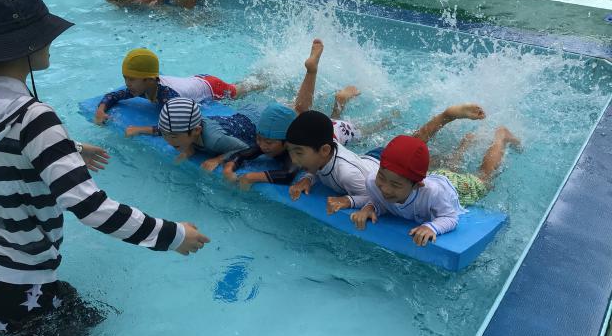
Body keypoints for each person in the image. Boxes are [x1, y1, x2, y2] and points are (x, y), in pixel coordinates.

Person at [0, 0, 210, 336]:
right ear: (27, 44)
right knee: (86, 325)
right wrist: (174, 236)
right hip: (17, 283)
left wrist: (71, 149)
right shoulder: (34, 118)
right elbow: (92, 208)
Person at [221, 39, 362, 189]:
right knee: (302, 112)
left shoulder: (295, 150)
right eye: (259, 139)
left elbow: (287, 175)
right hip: (319, 129)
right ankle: (334, 95)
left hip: (338, 132)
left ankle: (339, 99)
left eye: (268, 142)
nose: (261, 145)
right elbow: (243, 154)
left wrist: (251, 177)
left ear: (286, 142)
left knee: (358, 132)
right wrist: (228, 168)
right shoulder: (269, 141)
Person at [287, 104, 487, 208]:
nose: (294, 160)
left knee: (444, 164)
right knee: (420, 145)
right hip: (372, 160)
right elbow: (320, 166)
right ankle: (459, 136)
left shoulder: (347, 174)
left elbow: (375, 197)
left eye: (298, 153)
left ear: (323, 150)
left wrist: (348, 201)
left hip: (385, 168)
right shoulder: (321, 156)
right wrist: (308, 178)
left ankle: (451, 125)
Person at [345, 129, 520, 246]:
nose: (385, 189)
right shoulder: (373, 182)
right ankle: (466, 141)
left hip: (456, 187)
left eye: (395, 185)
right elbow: (380, 201)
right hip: (435, 177)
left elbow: (450, 217)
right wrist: (370, 207)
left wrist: (432, 227)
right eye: (381, 177)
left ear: (417, 185)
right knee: (450, 167)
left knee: (484, 178)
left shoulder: (433, 194)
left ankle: (501, 137)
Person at [94, 47, 262, 137]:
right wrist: (101, 111)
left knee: (242, 90)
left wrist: (141, 129)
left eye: (131, 79)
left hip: (212, 87)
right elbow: (113, 96)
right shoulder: (142, 86)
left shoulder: (168, 95)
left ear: (149, 80)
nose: (127, 84)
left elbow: (176, 129)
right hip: (197, 80)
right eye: (125, 78)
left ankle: (266, 80)